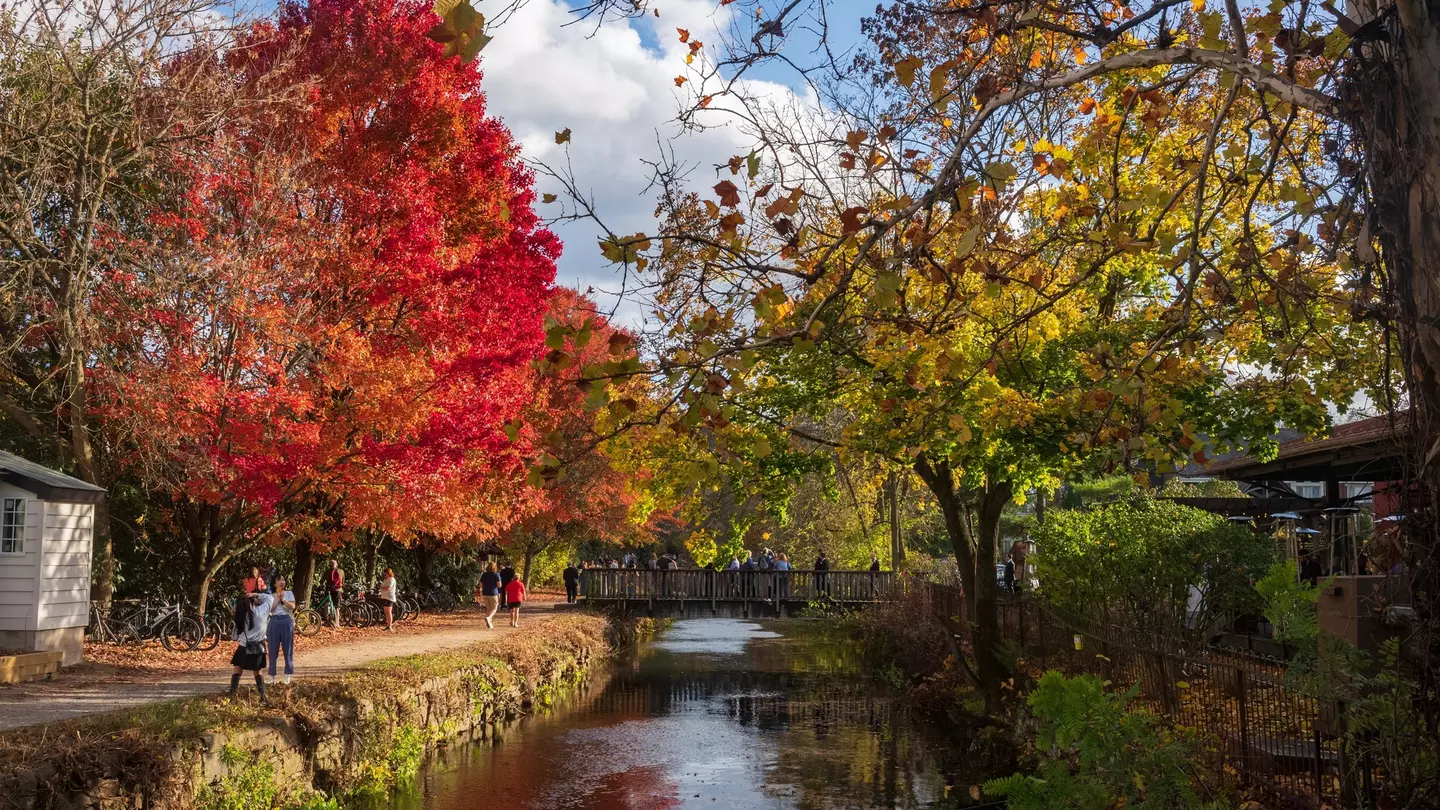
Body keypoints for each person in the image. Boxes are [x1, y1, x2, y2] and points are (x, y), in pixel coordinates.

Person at [230, 589, 273, 702]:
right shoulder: (261, 612)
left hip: (244, 646)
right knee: (258, 673)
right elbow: (270, 598)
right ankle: (263, 697)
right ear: (252, 602)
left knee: (237, 671)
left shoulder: (240, 616)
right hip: (258, 647)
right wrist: (256, 594)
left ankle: (232, 696)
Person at [267, 575, 297, 684]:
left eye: (283, 580)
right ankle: (271, 676)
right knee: (272, 650)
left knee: (287, 649)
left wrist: (283, 599)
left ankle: (287, 674)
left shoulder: (289, 593)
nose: (281, 582)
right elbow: (271, 609)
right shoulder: (271, 596)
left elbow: (292, 607)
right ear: (274, 584)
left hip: (286, 621)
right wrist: (278, 598)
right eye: (279, 580)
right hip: (274, 621)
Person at [477, 562, 502, 628]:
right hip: (493, 593)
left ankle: (489, 623)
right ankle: (488, 617)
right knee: (494, 608)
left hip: (485, 593)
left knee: (489, 608)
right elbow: (499, 585)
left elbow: (481, 585)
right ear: (495, 567)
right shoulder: (496, 574)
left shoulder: (484, 574)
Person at [377, 567, 398, 632]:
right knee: (386, 612)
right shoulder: (385, 579)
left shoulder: (391, 579)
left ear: (389, 574)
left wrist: (381, 587)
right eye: (384, 574)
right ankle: (388, 625)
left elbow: (388, 588)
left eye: (385, 574)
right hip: (385, 597)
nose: (384, 575)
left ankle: (390, 626)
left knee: (388, 612)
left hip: (389, 597)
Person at [324, 560, 344, 627]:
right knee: (337, 607)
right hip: (338, 590)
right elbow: (343, 581)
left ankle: (327, 621)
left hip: (329, 590)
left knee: (327, 604)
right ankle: (337, 623)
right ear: (337, 564)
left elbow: (322, 581)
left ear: (329, 565)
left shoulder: (328, 571)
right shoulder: (341, 571)